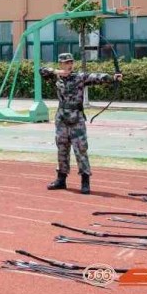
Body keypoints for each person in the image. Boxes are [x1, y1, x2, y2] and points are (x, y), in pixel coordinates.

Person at [40, 52, 122, 195]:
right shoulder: (56, 77)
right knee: (62, 149)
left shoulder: (79, 77)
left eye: (71, 62)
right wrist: (58, 72)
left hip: (76, 119)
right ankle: (61, 179)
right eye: (66, 63)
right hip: (61, 119)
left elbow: (96, 77)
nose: (69, 65)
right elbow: (42, 71)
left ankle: (85, 181)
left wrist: (113, 77)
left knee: (81, 150)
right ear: (61, 64)